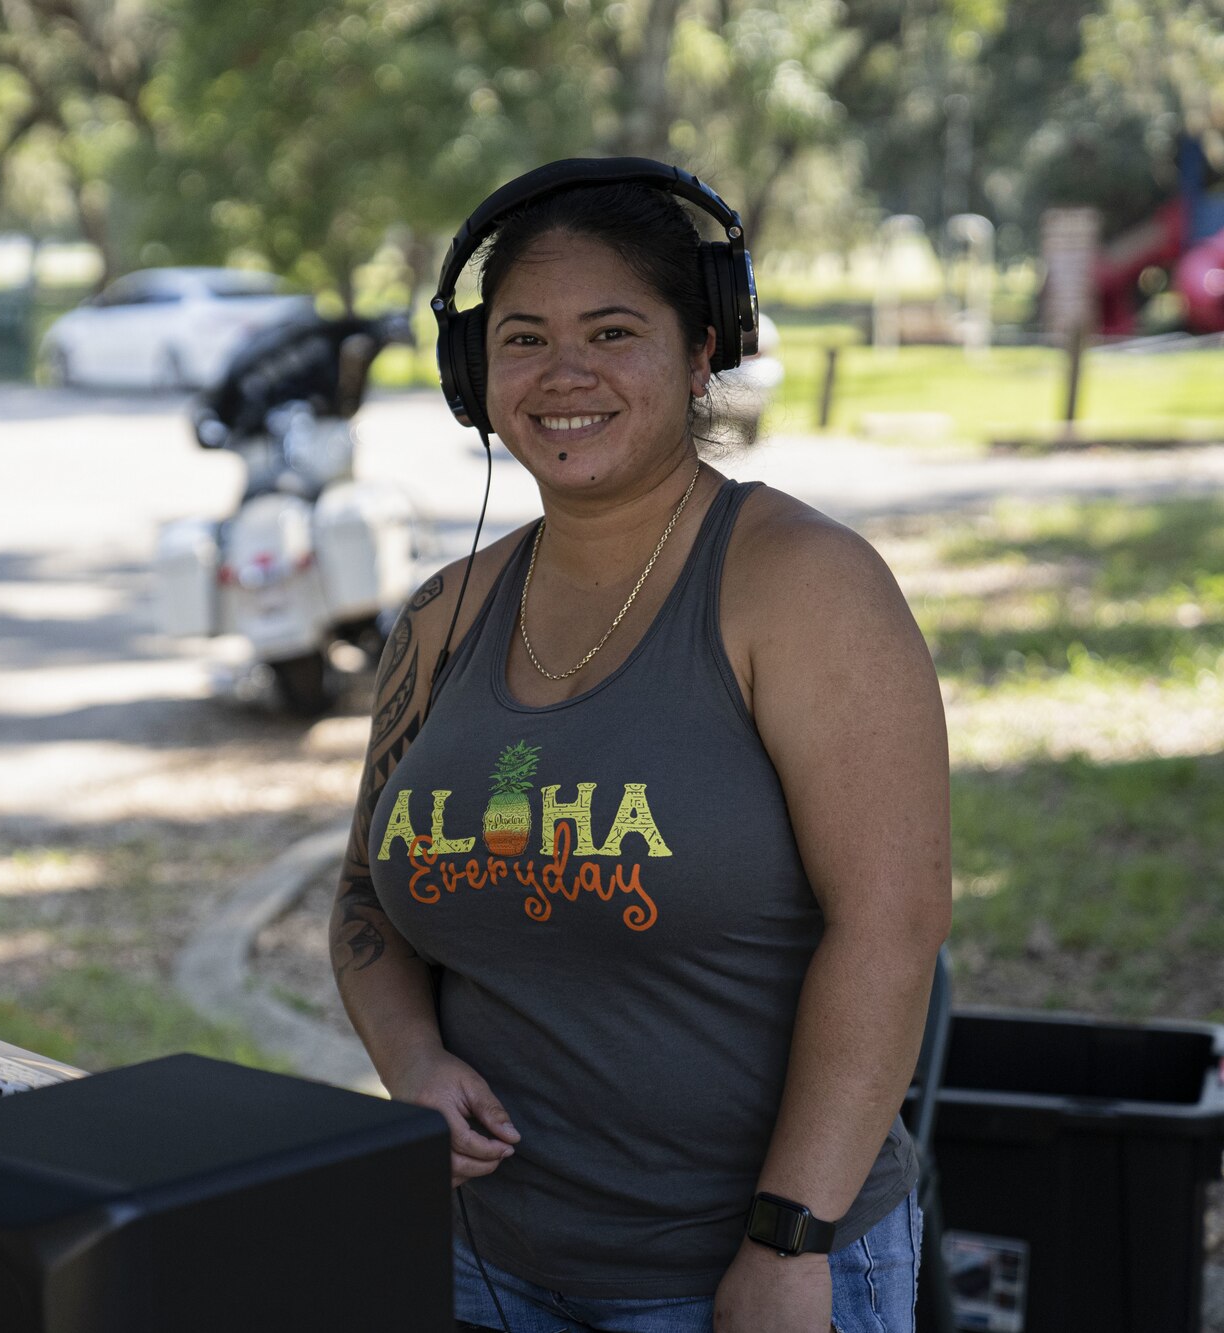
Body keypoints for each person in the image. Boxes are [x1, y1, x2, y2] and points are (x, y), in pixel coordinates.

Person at [329, 161, 950, 1333]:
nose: (563, 375)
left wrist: (789, 1238)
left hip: (746, 1267)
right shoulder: (442, 615)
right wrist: (409, 1057)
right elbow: (364, 894)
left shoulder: (802, 586)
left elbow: (893, 923)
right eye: (521, 339)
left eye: (611, 331)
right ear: (474, 377)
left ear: (699, 348)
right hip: (484, 1263)